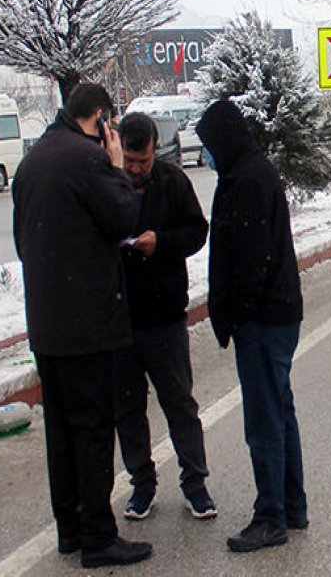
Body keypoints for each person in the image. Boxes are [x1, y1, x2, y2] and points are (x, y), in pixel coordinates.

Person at [11, 83, 152, 568]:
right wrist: (116, 169)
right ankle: (99, 536)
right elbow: (123, 217)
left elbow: (23, 241)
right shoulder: (88, 159)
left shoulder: (32, 163)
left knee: (63, 434)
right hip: (87, 323)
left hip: (46, 325)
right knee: (92, 429)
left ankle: (70, 529)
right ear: (100, 119)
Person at [194, 100, 307, 553]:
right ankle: (291, 506)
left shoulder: (248, 180)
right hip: (274, 314)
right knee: (279, 411)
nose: (206, 155)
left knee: (264, 421)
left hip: (263, 319)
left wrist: (235, 313)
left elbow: (251, 260)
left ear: (224, 139)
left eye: (208, 146)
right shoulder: (248, 173)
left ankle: (271, 517)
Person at [113, 112, 215, 521]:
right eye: (130, 161)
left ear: (157, 151)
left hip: (165, 316)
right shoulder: (106, 183)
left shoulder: (174, 182)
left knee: (179, 403)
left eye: (144, 161)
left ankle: (195, 483)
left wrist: (163, 242)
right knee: (127, 408)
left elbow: (196, 231)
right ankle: (141, 484)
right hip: (118, 319)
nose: (136, 169)